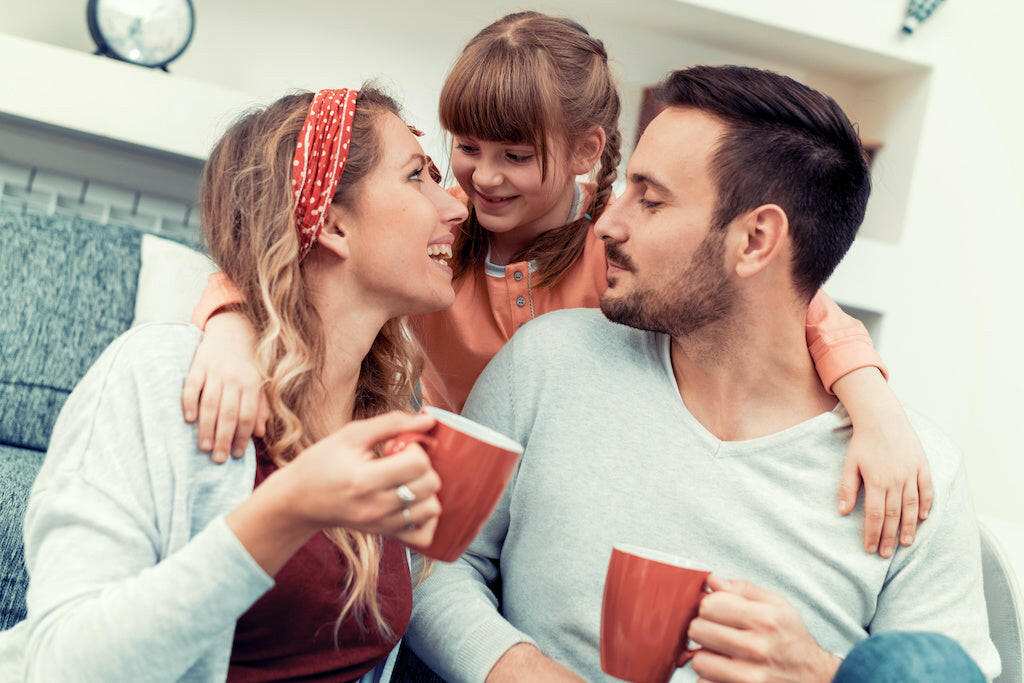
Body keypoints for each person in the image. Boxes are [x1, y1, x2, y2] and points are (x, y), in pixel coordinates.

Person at [183, 11, 931, 559]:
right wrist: (228, 330)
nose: (481, 178)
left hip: (570, 505)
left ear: (584, 150)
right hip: (440, 505)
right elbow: (284, 251)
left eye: (515, 155)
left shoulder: (622, 246)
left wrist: (877, 408)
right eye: (465, 147)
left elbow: (800, 306)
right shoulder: (435, 236)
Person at [405, 66, 1001, 682]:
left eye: (650, 200)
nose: (607, 224)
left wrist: (819, 673)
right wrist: (517, 669)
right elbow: (428, 562)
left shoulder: (911, 474)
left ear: (755, 240)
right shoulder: (547, 361)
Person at [0, 86, 470, 681]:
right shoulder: (162, 377)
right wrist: (285, 513)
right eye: (415, 176)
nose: (455, 208)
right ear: (331, 222)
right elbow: (63, 666)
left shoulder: (386, 420)